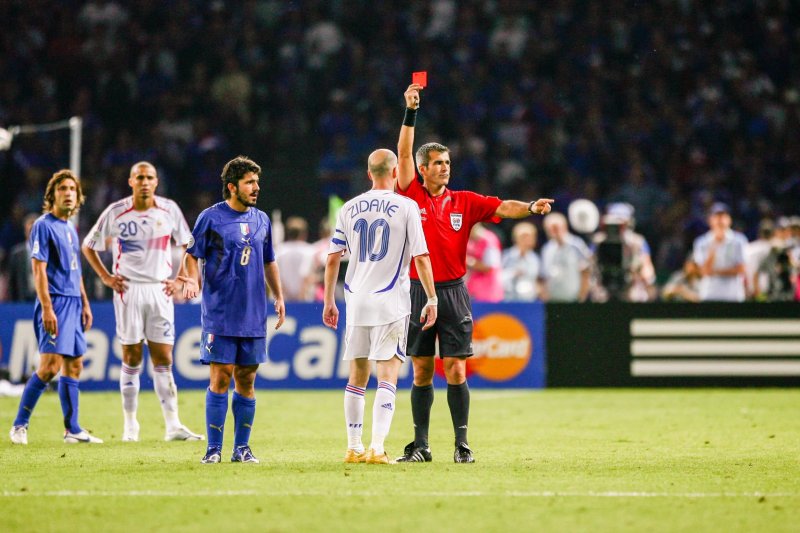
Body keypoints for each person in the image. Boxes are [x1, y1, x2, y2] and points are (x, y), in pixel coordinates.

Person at [394, 83, 553, 463]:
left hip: (453, 292)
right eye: (438, 163)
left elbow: (505, 206)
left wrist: (530, 207)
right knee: (420, 370)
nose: (445, 168)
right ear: (422, 169)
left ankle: (462, 445)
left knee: (456, 368)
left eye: (448, 163)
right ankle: (421, 445)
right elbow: (401, 152)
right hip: (417, 291)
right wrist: (411, 111)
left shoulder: (465, 201)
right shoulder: (410, 194)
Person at [323, 149, 437, 465]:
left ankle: (353, 447)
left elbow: (333, 258)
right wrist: (431, 298)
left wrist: (329, 300)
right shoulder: (406, 206)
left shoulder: (349, 207)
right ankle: (376, 447)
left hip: (356, 299)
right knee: (387, 375)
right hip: (391, 302)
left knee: (356, 376)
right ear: (395, 171)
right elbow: (421, 257)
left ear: (369, 172)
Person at [82, 161, 203, 442]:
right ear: (131, 181)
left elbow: (188, 243)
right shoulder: (117, 212)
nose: (145, 182)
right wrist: (105, 277)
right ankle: (130, 425)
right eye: (140, 177)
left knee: (164, 359)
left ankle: (173, 425)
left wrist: (181, 276)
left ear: (156, 182)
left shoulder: (169, 209)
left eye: (150, 177)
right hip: (129, 290)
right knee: (132, 358)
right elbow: (88, 245)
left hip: (160, 290)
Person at [180, 155, 286, 464]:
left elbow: (269, 261)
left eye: (257, 182)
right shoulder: (210, 217)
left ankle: (242, 449)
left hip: (253, 312)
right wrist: (190, 278)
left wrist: (278, 296)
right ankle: (213, 449)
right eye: (249, 183)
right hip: (220, 312)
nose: (256, 188)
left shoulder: (261, 219)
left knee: (247, 379)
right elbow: (191, 254)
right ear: (232, 187)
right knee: (221, 376)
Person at [9, 170, 102, 445]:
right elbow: (38, 269)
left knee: (74, 366)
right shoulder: (43, 225)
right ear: (52, 195)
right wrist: (47, 308)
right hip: (55, 301)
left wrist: (85, 302)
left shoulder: (70, 229)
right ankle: (19, 425)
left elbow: (76, 272)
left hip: (74, 302)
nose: (69, 193)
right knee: (50, 366)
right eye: (63, 188)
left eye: (73, 189)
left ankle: (72, 429)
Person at [692, 202, 747, 302]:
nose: (720, 220)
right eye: (716, 216)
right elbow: (703, 271)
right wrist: (713, 249)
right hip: (710, 295)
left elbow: (741, 269)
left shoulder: (739, 240)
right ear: (710, 220)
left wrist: (715, 272)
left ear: (729, 220)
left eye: (723, 216)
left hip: (733, 295)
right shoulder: (702, 242)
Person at [540, 212, 592, 302]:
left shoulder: (577, 244)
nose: (553, 231)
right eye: (550, 228)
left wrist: (582, 296)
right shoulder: (547, 248)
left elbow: (586, 272)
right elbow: (544, 276)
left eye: (556, 227)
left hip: (573, 300)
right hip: (552, 300)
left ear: (564, 226)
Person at [275, 216, 315, 301]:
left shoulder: (279, 250)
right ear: (303, 234)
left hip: (283, 298)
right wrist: (300, 299)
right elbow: (306, 275)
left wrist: (284, 294)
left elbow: (276, 275)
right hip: (304, 299)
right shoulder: (308, 251)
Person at [501, 221, 543, 301]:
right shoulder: (507, 256)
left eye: (529, 237)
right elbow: (498, 277)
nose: (526, 240)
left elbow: (538, 279)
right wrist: (512, 273)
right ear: (515, 238)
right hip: (508, 300)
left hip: (529, 301)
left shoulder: (535, 259)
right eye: (523, 236)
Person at [465, 223, 504, 302]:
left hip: (489, 293)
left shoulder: (490, 240)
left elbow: (491, 267)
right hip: (471, 291)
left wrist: (468, 261)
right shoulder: (468, 239)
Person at [7, 213, 38, 302]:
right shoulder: (16, 254)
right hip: (22, 301)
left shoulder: (50, 253)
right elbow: (12, 283)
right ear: (25, 231)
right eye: (30, 230)